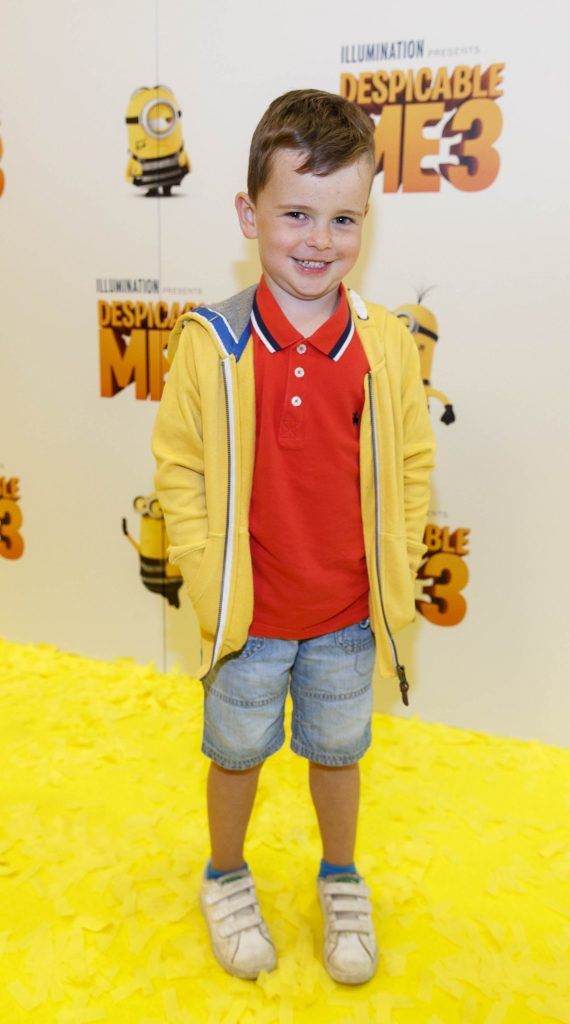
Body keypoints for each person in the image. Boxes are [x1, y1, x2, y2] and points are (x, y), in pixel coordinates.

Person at [151, 88, 436, 985]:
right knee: (234, 755)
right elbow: (181, 468)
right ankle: (225, 872)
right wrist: (207, 577)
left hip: (349, 616)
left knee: (338, 754)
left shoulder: (384, 343)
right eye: (297, 214)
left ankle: (339, 873)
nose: (320, 239)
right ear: (250, 214)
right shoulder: (213, 341)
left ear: (366, 222)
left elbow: (415, 464)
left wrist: (393, 560)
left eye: (343, 218)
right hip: (248, 621)